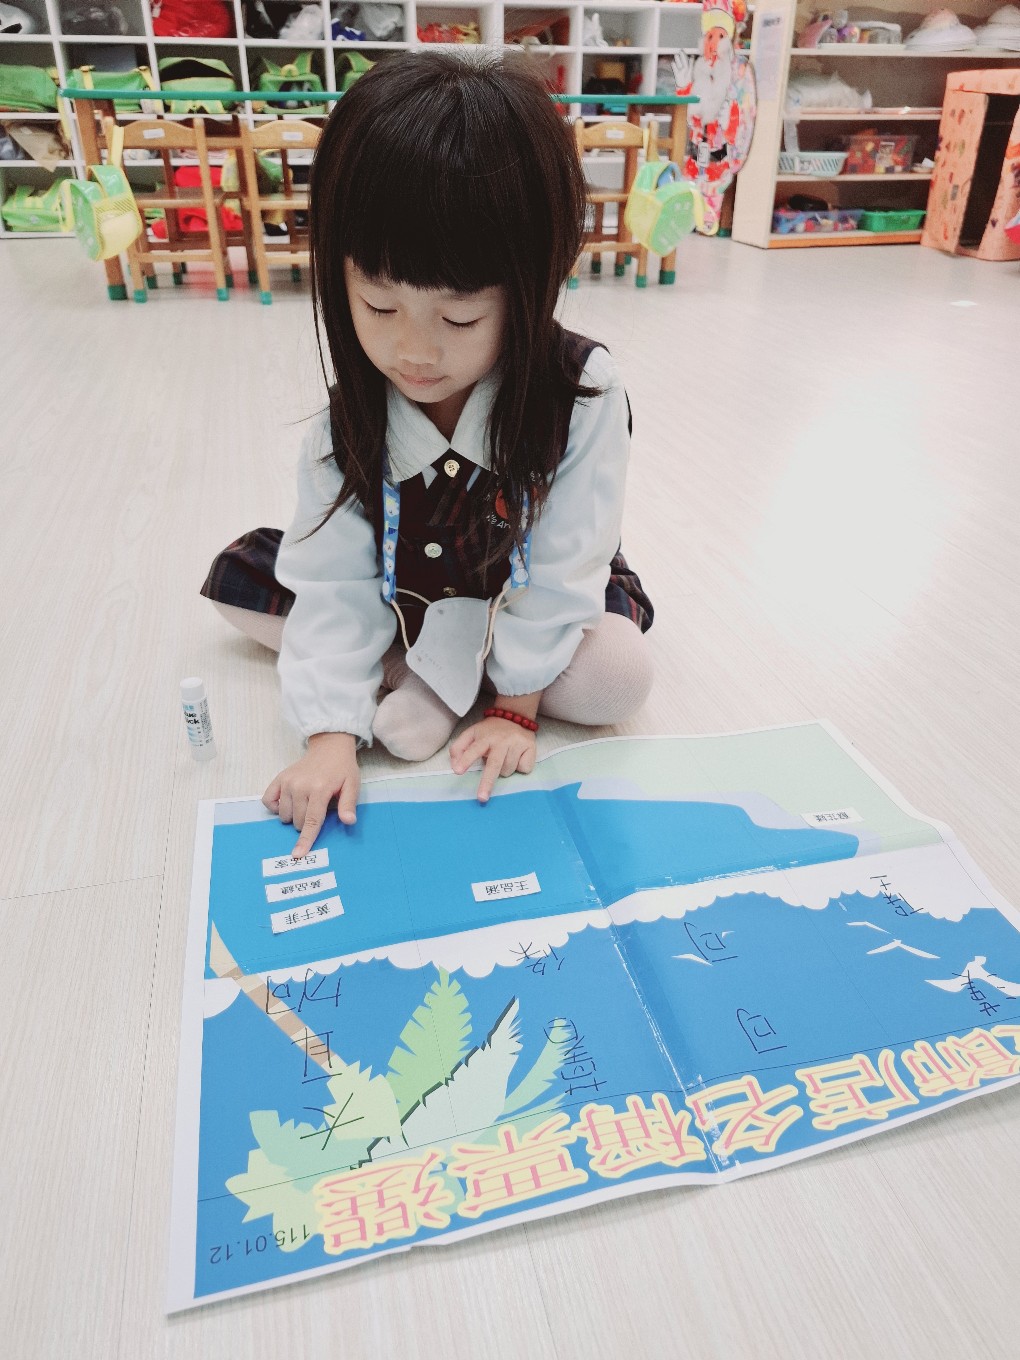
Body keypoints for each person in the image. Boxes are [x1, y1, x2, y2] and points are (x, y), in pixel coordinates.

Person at [202, 50, 654, 856]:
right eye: (378, 306)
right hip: (402, 588)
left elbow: (567, 563)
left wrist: (516, 705)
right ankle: (428, 668)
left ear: (533, 285)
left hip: (524, 591)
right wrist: (330, 737)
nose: (413, 352)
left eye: (460, 319)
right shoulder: (347, 424)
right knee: (237, 589)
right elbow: (336, 583)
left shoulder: (582, 393)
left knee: (618, 676)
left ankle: (440, 673)